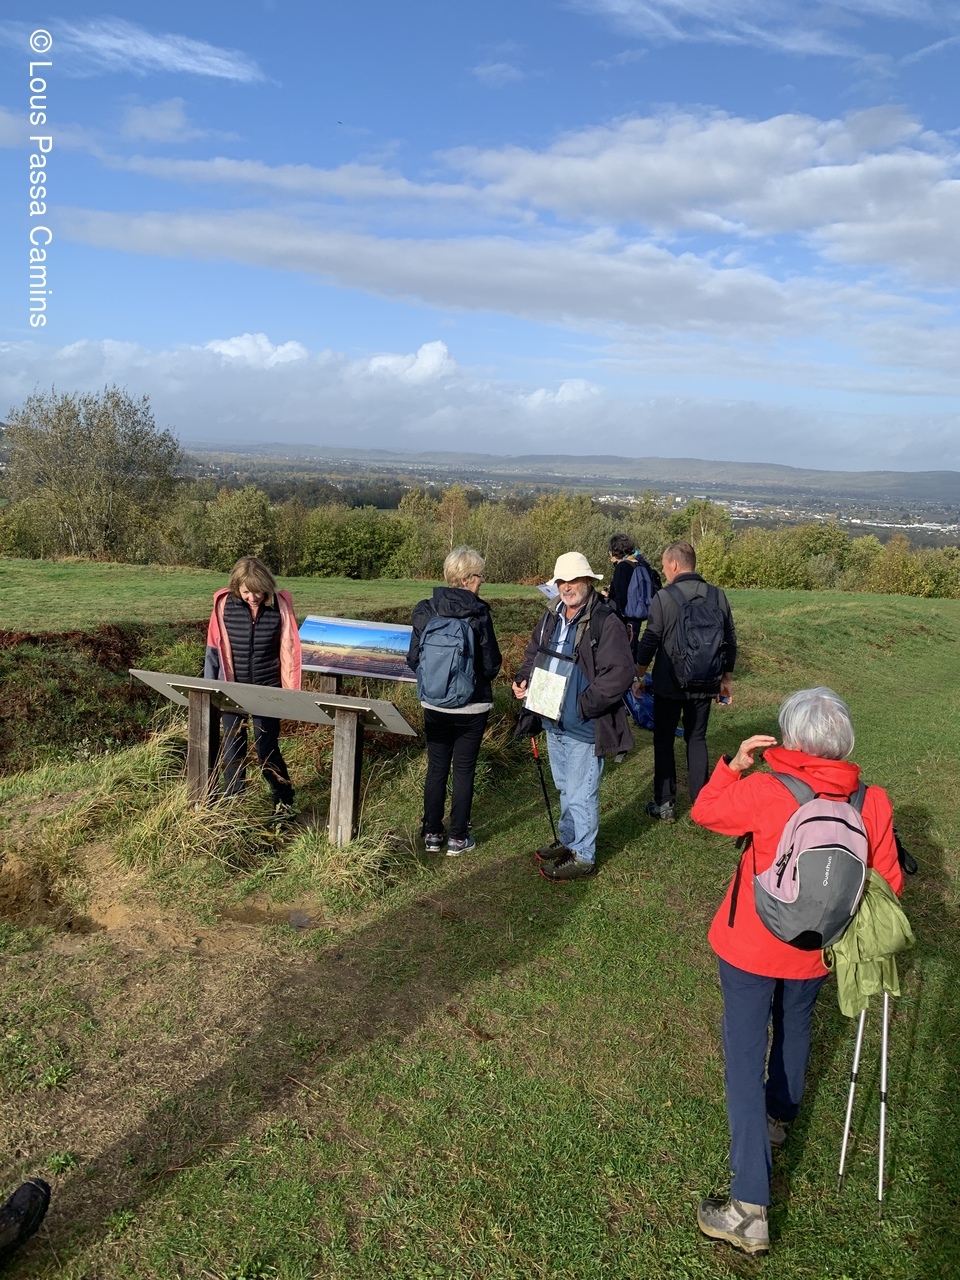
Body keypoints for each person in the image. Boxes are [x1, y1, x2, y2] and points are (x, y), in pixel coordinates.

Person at [690, 687, 903, 1256]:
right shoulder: (872, 801)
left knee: (743, 1060)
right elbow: (889, 882)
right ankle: (779, 1119)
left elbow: (705, 811)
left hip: (749, 945)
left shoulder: (766, 788)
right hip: (817, 949)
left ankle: (748, 1208)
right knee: (796, 1028)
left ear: (790, 739)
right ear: (844, 743)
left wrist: (734, 765)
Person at [512, 552, 634, 881]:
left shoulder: (606, 621)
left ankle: (583, 855)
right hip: (552, 719)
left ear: (589, 582)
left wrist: (583, 706)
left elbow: (620, 673)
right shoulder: (551, 615)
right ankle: (568, 839)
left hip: (584, 724)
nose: (567, 587)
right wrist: (523, 679)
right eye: (562, 581)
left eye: (574, 580)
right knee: (565, 787)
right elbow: (534, 653)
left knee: (581, 792)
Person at [407, 547, 502, 856]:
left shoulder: (426, 609)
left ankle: (432, 833)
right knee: (463, 769)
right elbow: (491, 665)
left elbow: (413, 659)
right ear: (466, 579)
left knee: (436, 766)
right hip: (472, 705)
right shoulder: (479, 612)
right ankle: (458, 837)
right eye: (480, 576)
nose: (482, 581)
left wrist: (437, 680)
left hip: (434, 703)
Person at [634, 540, 736, 822]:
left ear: (675, 564)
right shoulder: (718, 596)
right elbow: (730, 640)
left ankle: (664, 803)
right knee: (697, 738)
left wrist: (640, 675)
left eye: (664, 565)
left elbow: (650, 641)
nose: (663, 570)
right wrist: (726, 678)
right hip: (706, 682)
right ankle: (702, 803)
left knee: (664, 740)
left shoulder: (664, 597)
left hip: (669, 683)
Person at [204, 556, 302, 819]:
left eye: (257, 591)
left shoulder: (280, 606)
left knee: (266, 750)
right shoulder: (223, 605)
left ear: (266, 585)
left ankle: (284, 803)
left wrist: (291, 694)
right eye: (246, 592)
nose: (252, 597)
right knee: (232, 748)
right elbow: (212, 649)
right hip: (231, 689)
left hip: (267, 689)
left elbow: (290, 650)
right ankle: (233, 805)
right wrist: (210, 688)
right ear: (237, 587)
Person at [603, 532, 659, 660]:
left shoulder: (622, 567)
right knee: (633, 648)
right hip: (639, 615)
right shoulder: (641, 564)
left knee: (624, 652)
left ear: (615, 550)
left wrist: (608, 599)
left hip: (626, 618)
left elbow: (620, 597)